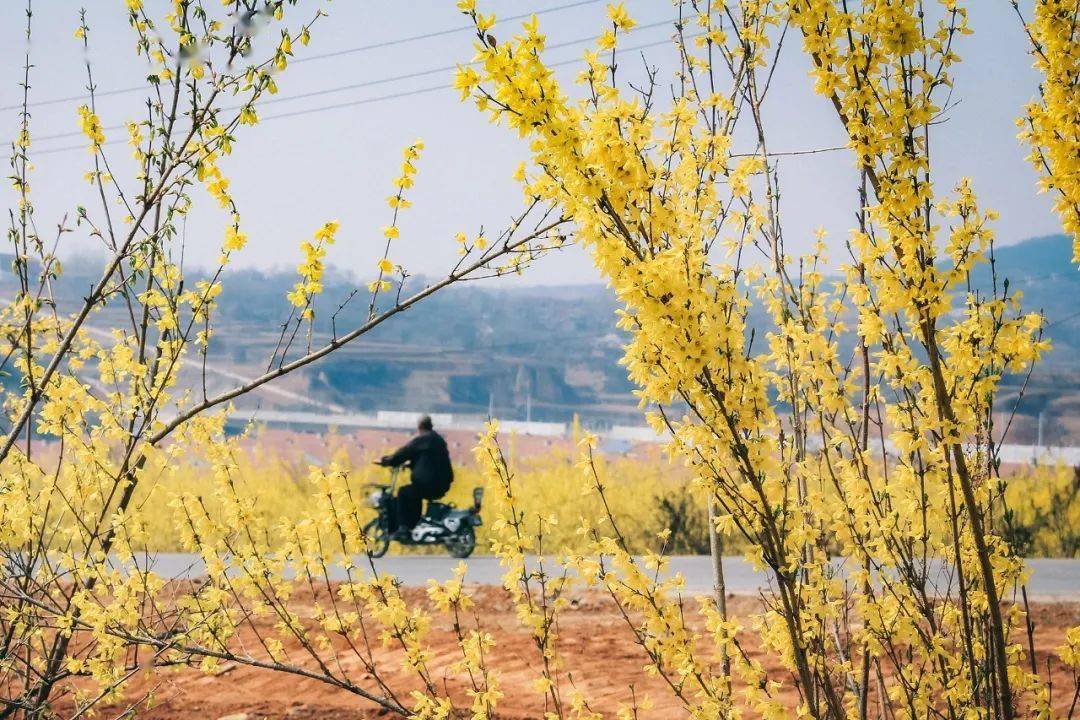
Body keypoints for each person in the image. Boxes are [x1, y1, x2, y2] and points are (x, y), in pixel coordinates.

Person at [378, 414, 454, 539]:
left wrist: (387, 461)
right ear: (431, 426)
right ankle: (414, 523)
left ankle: (404, 527)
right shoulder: (437, 440)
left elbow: (404, 452)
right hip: (442, 483)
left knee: (403, 492)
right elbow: (427, 460)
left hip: (430, 485)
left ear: (419, 427)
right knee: (413, 493)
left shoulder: (423, 439)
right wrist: (413, 464)